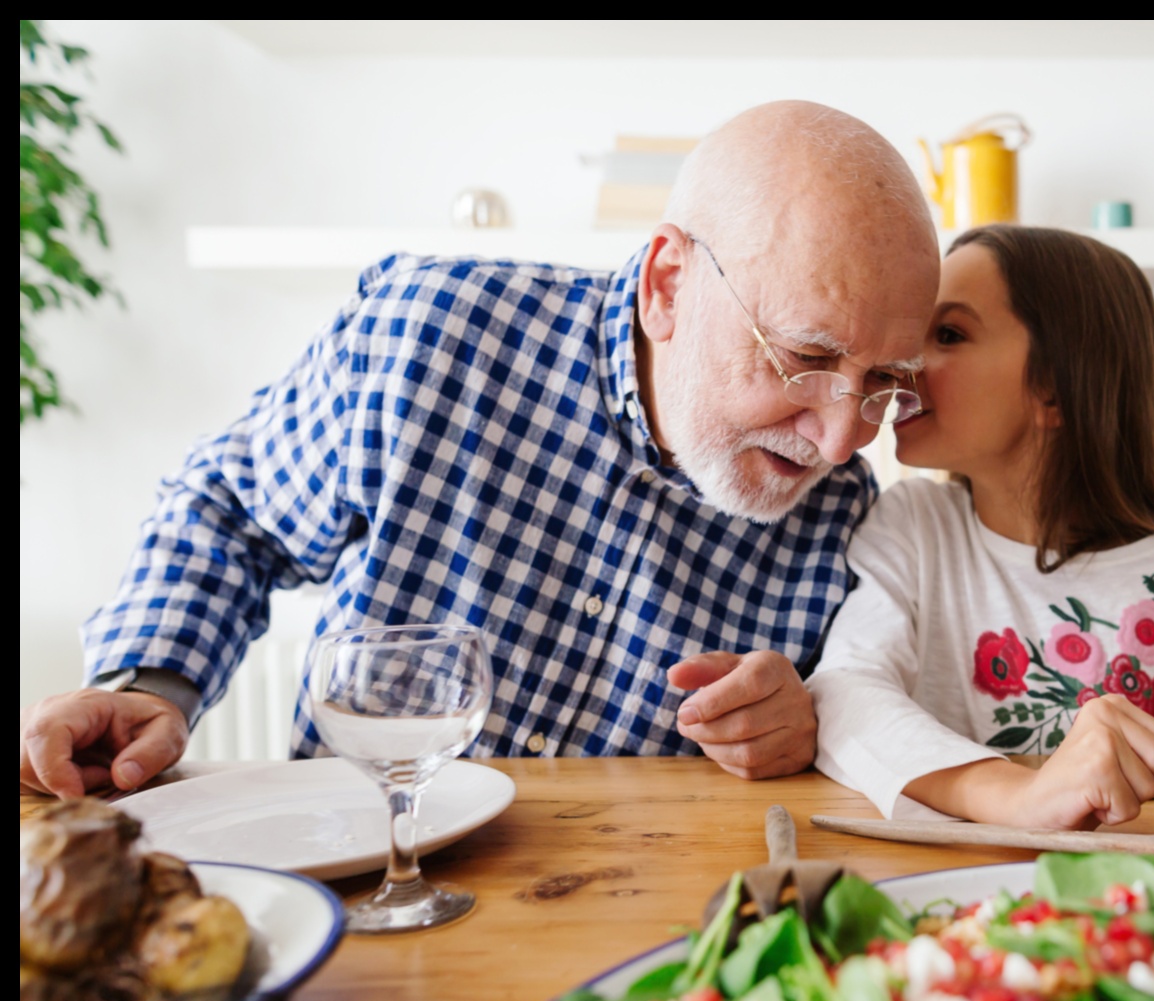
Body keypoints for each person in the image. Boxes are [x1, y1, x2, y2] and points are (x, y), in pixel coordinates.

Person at [19, 101, 941, 799]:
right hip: (357, 895)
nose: (839, 436)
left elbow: (843, 749)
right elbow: (227, 513)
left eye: (882, 381)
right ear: (667, 283)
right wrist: (152, 681)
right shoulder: (431, 334)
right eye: (806, 356)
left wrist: (800, 727)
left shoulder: (846, 517)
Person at [808, 225, 1154, 829]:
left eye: (948, 334)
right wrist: (1018, 799)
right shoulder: (914, 528)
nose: (903, 364)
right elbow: (843, 695)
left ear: (1054, 386)